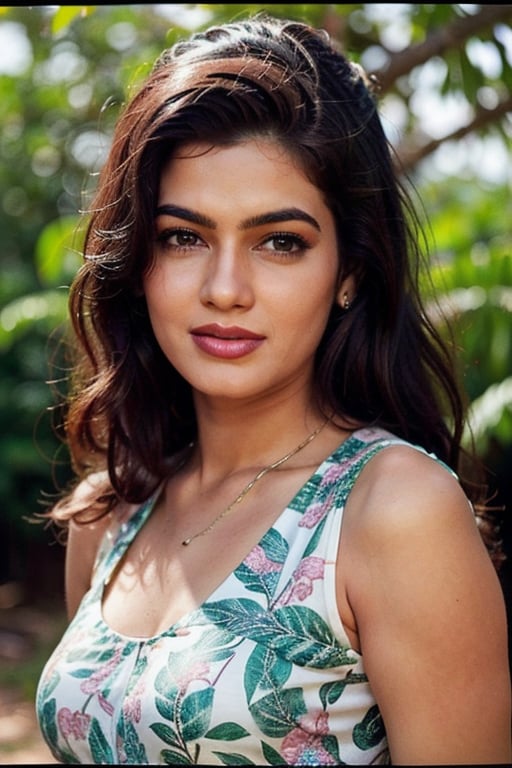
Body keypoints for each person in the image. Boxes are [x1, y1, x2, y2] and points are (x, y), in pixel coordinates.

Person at [35, 12, 511, 766]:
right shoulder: (114, 508)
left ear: (350, 269)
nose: (226, 289)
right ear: (139, 260)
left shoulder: (392, 512)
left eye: (280, 242)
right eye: (183, 237)